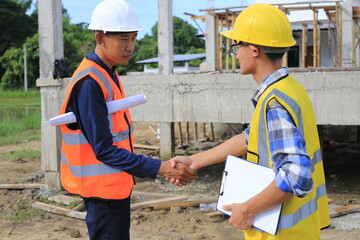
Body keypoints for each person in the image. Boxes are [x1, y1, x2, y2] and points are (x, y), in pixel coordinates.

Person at [169, 3, 330, 240]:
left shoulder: (274, 102)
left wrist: (248, 209)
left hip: (282, 235)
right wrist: (193, 161)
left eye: (237, 46)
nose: (235, 53)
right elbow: (250, 138)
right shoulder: (290, 88)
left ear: (254, 50)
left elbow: (297, 175)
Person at [58, 0, 196, 239]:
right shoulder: (90, 82)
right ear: (100, 38)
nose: (131, 46)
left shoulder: (107, 72)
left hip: (114, 185)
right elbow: (104, 150)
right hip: (103, 193)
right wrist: (160, 167)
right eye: (123, 39)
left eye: (133, 38)